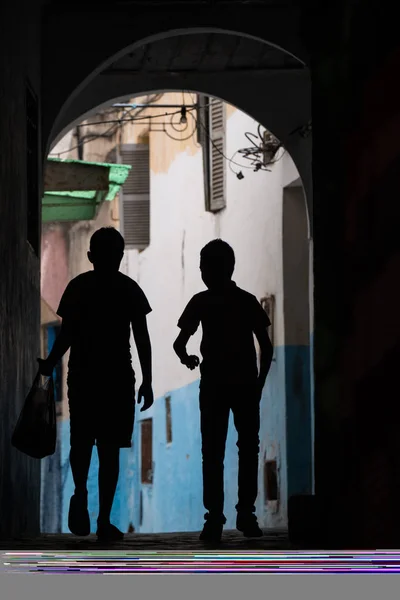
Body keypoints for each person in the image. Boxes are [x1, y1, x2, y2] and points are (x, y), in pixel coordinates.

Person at [38, 227, 154, 542]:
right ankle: (103, 519)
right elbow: (142, 338)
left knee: (81, 441)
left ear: (90, 256)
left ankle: (78, 490)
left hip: (83, 377)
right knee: (110, 450)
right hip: (117, 380)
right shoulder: (129, 289)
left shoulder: (78, 287)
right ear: (120, 256)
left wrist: (50, 363)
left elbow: (67, 334)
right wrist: (148, 379)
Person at [173, 239, 273, 543]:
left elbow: (179, 344)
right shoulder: (247, 300)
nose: (202, 271)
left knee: (212, 453)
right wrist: (259, 384)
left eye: (204, 266)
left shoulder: (200, 302)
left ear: (208, 270)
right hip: (245, 384)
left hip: (213, 385)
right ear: (231, 268)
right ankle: (246, 514)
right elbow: (265, 347)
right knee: (248, 449)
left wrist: (187, 358)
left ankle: (214, 518)